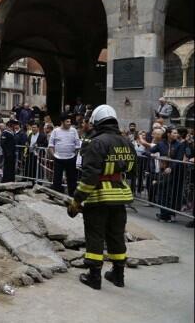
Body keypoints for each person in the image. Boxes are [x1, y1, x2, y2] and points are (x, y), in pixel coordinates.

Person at [68, 104, 136, 290]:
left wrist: (77, 199)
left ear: (96, 122)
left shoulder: (96, 142)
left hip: (99, 196)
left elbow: (90, 176)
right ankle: (118, 275)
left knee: (95, 235)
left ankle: (94, 276)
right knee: (116, 235)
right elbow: (131, 169)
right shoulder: (127, 142)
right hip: (120, 195)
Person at [48, 114, 81, 195]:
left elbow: (77, 144)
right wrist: (54, 155)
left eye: (70, 121)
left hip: (71, 159)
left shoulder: (74, 131)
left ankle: (72, 196)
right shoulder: (56, 131)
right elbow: (51, 145)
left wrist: (74, 155)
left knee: (72, 180)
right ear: (62, 122)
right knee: (57, 180)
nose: (69, 123)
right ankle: (55, 195)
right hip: (58, 159)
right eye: (67, 122)